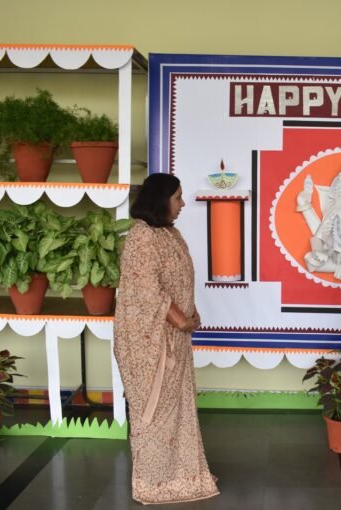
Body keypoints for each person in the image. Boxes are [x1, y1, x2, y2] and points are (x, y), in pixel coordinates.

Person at [114, 173, 219, 505]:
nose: (182, 204)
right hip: (151, 343)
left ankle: (182, 475)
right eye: (177, 198)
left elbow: (179, 280)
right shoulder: (141, 237)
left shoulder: (170, 233)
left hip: (175, 337)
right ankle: (153, 482)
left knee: (178, 408)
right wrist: (181, 320)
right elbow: (148, 291)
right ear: (160, 200)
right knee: (156, 410)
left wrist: (191, 314)